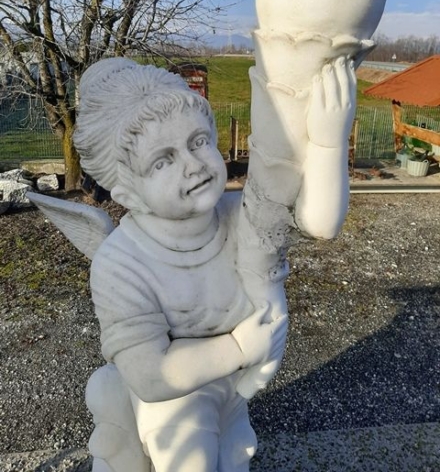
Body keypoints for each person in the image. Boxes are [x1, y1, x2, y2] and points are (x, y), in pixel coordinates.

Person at [73, 55, 356, 472]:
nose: (193, 165)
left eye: (199, 142)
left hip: (231, 389)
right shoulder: (121, 263)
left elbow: (320, 221)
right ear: (127, 194)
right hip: (174, 399)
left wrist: (328, 143)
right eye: (163, 161)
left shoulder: (241, 215)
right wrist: (239, 348)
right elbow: (151, 374)